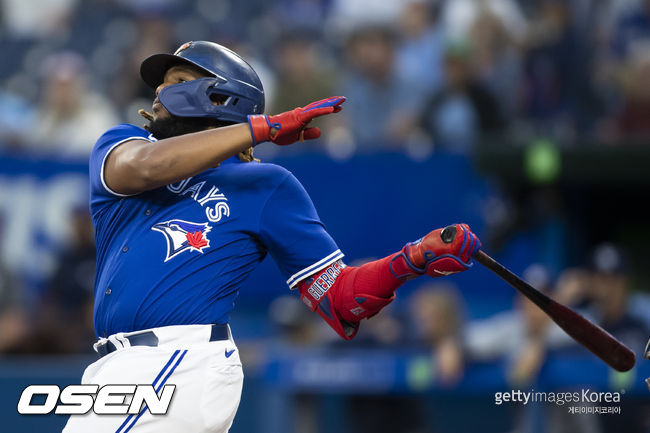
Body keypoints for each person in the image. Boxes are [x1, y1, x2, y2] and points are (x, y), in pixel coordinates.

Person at [62, 40, 481, 433]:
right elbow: (144, 168)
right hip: (111, 368)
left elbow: (341, 298)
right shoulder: (122, 143)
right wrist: (262, 129)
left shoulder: (263, 185)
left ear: (220, 98)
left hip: (179, 359)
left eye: (177, 82)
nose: (157, 90)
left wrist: (413, 258)